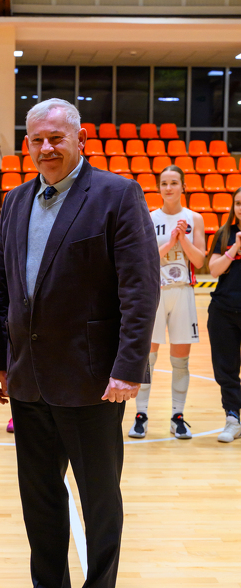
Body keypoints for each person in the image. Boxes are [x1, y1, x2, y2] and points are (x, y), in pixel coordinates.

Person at [0, 98, 160, 588]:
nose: (46, 148)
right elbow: (3, 288)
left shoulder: (116, 194)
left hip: (92, 379)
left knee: (98, 498)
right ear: (27, 144)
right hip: (28, 377)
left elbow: (140, 287)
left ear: (80, 139)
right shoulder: (16, 200)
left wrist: (128, 367)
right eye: (37, 139)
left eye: (56, 138)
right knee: (39, 496)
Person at [128, 165, 205, 440]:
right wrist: (171, 241)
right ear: (159, 188)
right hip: (155, 293)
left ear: (183, 186)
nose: (169, 188)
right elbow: (145, 258)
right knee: (147, 358)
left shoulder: (194, 218)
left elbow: (199, 261)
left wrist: (182, 239)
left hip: (183, 291)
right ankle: (141, 415)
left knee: (180, 360)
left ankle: (177, 416)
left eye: (174, 183)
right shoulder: (150, 218)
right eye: (164, 183)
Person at [207, 187, 241, 442]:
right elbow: (214, 270)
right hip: (223, 311)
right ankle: (233, 417)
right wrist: (235, 247)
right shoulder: (224, 234)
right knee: (226, 370)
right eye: (238, 203)